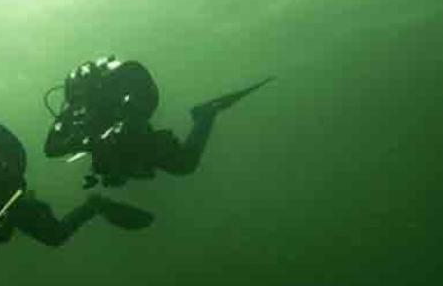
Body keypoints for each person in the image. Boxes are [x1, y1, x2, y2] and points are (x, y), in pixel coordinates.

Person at [0, 119, 152, 255]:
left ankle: (94, 205)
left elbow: (15, 182)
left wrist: (2, 215)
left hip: (10, 197)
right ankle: (11, 220)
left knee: (55, 236)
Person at [44, 56, 273, 189]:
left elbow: (142, 102)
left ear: (95, 86)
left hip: (140, 141)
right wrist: (82, 141)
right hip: (118, 156)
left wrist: (122, 126)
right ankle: (123, 170)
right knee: (111, 169)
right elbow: (50, 148)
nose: (79, 101)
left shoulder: (115, 95)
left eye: (83, 94)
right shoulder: (73, 110)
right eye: (74, 97)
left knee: (185, 164)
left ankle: (205, 114)